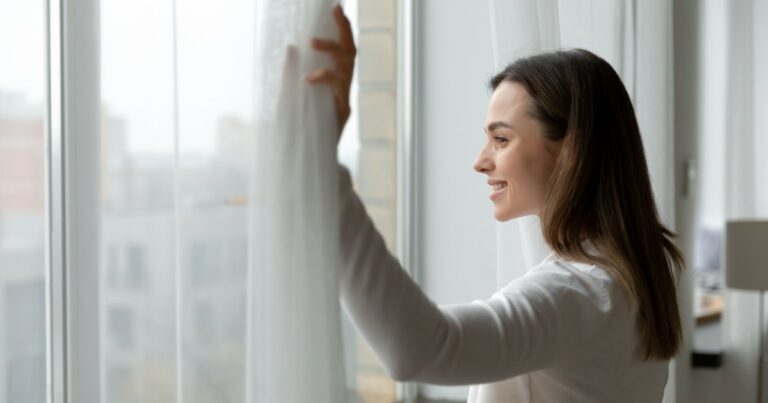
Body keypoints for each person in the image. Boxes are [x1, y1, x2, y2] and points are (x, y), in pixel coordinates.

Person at [306, 4, 685, 403]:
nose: (480, 161)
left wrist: (324, 177)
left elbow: (419, 349)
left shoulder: (580, 294)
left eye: (501, 139)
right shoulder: (637, 268)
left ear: (572, 151)